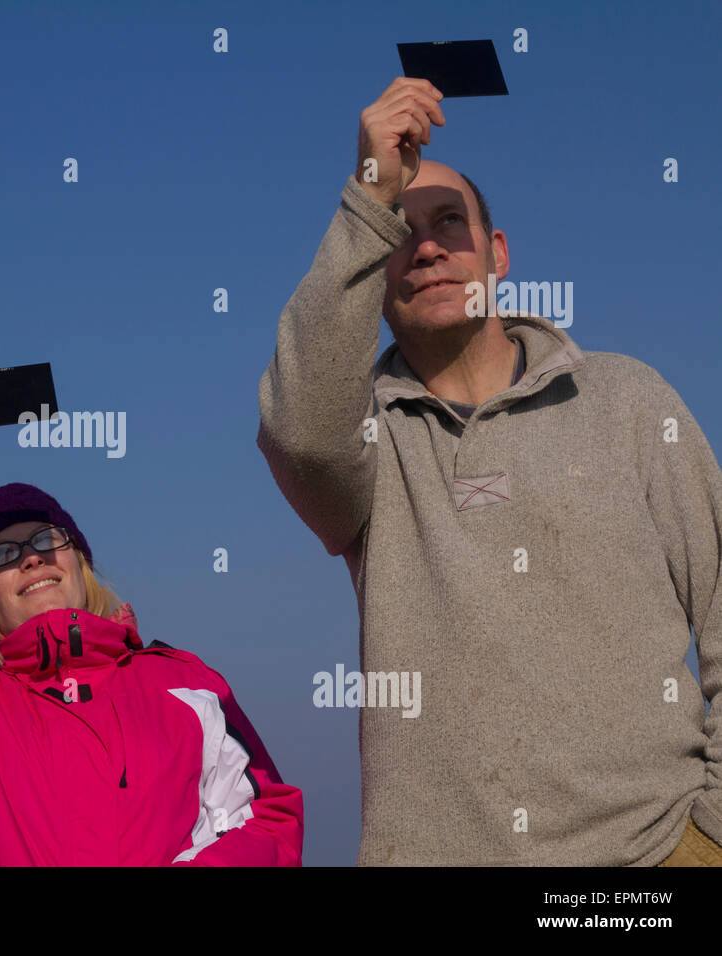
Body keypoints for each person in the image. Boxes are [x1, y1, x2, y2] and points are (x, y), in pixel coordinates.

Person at [257, 77, 722, 865]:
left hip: (653, 859)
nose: (429, 247)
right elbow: (296, 435)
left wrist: (707, 831)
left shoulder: (627, 398)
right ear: (374, 265)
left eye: (449, 224)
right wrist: (370, 187)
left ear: (497, 253)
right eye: (399, 232)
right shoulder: (365, 438)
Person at [0, 408, 303, 866]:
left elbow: (265, 819)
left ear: (80, 564)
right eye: (4, 553)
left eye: (47, 539)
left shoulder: (184, 683)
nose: (32, 559)